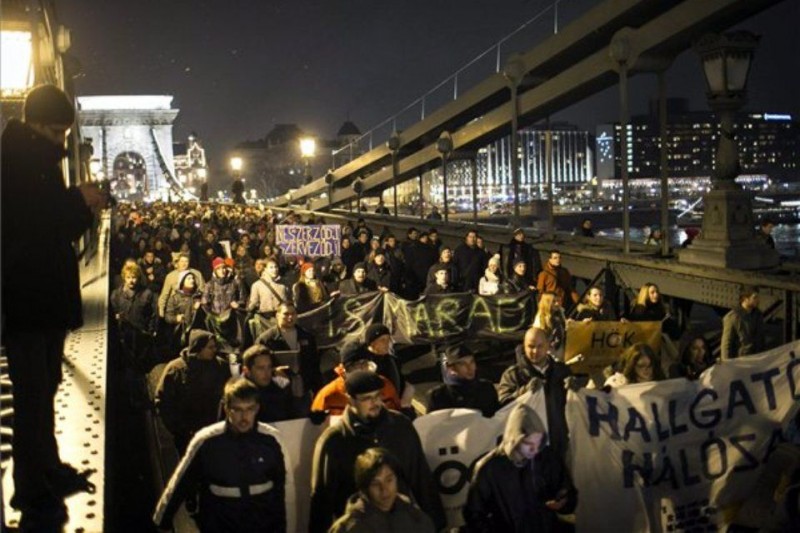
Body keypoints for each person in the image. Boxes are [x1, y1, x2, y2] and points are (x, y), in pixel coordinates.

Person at [1, 84, 106, 528]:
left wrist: (76, 204)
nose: (65, 140)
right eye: (60, 131)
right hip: (28, 301)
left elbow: (44, 223)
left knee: (45, 389)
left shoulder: (35, 158)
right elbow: (35, 228)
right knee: (32, 397)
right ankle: (30, 487)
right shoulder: (17, 163)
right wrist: (79, 203)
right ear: (39, 125)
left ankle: (49, 470)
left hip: (39, 299)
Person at [309, 370, 445, 532]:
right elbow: (321, 500)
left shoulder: (401, 427)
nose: (375, 402)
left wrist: (437, 523)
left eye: (377, 395)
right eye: (366, 398)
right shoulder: (334, 441)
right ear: (350, 400)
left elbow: (421, 478)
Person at [153, 377, 291, 532]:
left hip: (263, 521)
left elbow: (284, 484)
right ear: (226, 408)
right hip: (221, 521)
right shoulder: (207, 440)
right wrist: (162, 520)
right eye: (237, 409)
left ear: (257, 408)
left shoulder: (272, 439)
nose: (244, 417)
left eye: (249, 409)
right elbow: (182, 481)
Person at [463, 403, 577, 532]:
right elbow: (474, 515)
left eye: (539, 442)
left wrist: (564, 502)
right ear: (514, 439)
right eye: (528, 443)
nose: (535, 449)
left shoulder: (547, 457)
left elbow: (568, 493)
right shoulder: (489, 468)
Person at [497, 327, 572, 458]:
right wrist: (523, 391)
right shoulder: (513, 375)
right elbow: (502, 406)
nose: (535, 351)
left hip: (558, 444)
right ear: (523, 346)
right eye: (530, 346)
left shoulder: (562, 372)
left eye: (540, 346)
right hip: (527, 448)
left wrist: (574, 388)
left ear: (548, 345)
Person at [155, 330, 232, 453]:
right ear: (198, 349)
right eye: (210, 347)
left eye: (215, 346)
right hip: (187, 435)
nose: (214, 350)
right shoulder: (176, 369)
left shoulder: (220, 366)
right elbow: (163, 401)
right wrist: (179, 429)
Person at [330, 448, 436, 533]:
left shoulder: (418, 520)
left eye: (389, 480)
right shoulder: (347, 528)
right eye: (375, 484)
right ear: (364, 488)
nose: (384, 490)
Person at [311, 341, 402, 416]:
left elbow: (398, 413)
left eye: (364, 363)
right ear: (345, 368)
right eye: (355, 365)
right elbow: (315, 424)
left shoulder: (384, 385)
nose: (361, 369)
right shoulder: (329, 394)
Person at [255, 303, 322, 396]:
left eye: (293, 314)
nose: (290, 317)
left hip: (304, 390)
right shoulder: (266, 340)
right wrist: (274, 371)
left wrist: (318, 391)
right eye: (286, 314)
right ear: (277, 316)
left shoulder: (307, 337)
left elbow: (314, 366)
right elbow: (257, 365)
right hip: (276, 391)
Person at [426, 345, 500, 417]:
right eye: (462, 364)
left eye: (472, 362)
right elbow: (433, 426)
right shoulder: (438, 396)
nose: (470, 368)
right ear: (451, 369)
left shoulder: (486, 388)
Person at [241, 345, 307, 422]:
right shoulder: (238, 394)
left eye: (269, 367)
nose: (267, 373)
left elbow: (293, 418)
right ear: (247, 371)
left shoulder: (281, 389)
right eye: (260, 368)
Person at [721, 285, 766, 360]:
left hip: (756, 360)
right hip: (741, 362)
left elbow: (761, 340)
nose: (758, 300)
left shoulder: (758, 315)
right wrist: (727, 366)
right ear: (745, 299)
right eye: (754, 297)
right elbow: (726, 346)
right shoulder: (732, 318)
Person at [158, 253, 205, 318]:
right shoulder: (170, 276)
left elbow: (203, 289)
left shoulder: (196, 273)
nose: (184, 264)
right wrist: (161, 309)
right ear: (178, 263)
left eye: (186, 261)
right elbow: (164, 294)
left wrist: (198, 300)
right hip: (176, 306)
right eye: (182, 261)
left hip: (193, 304)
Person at [533, 292, 568, 361]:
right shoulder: (540, 319)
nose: (557, 304)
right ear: (547, 303)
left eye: (558, 301)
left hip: (560, 352)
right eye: (553, 301)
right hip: (548, 354)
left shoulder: (560, 313)